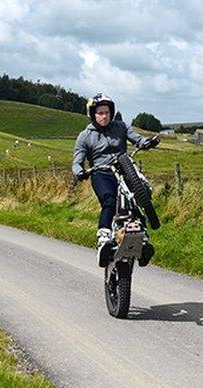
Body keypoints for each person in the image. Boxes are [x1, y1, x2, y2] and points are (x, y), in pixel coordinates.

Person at [72, 93, 159, 267]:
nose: (104, 116)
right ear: (93, 115)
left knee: (136, 199)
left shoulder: (121, 127)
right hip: (101, 172)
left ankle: (142, 240)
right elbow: (77, 159)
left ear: (111, 113)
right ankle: (104, 238)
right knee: (109, 201)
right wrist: (79, 171)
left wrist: (146, 142)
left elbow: (137, 139)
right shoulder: (85, 136)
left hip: (125, 169)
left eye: (107, 112)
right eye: (100, 113)